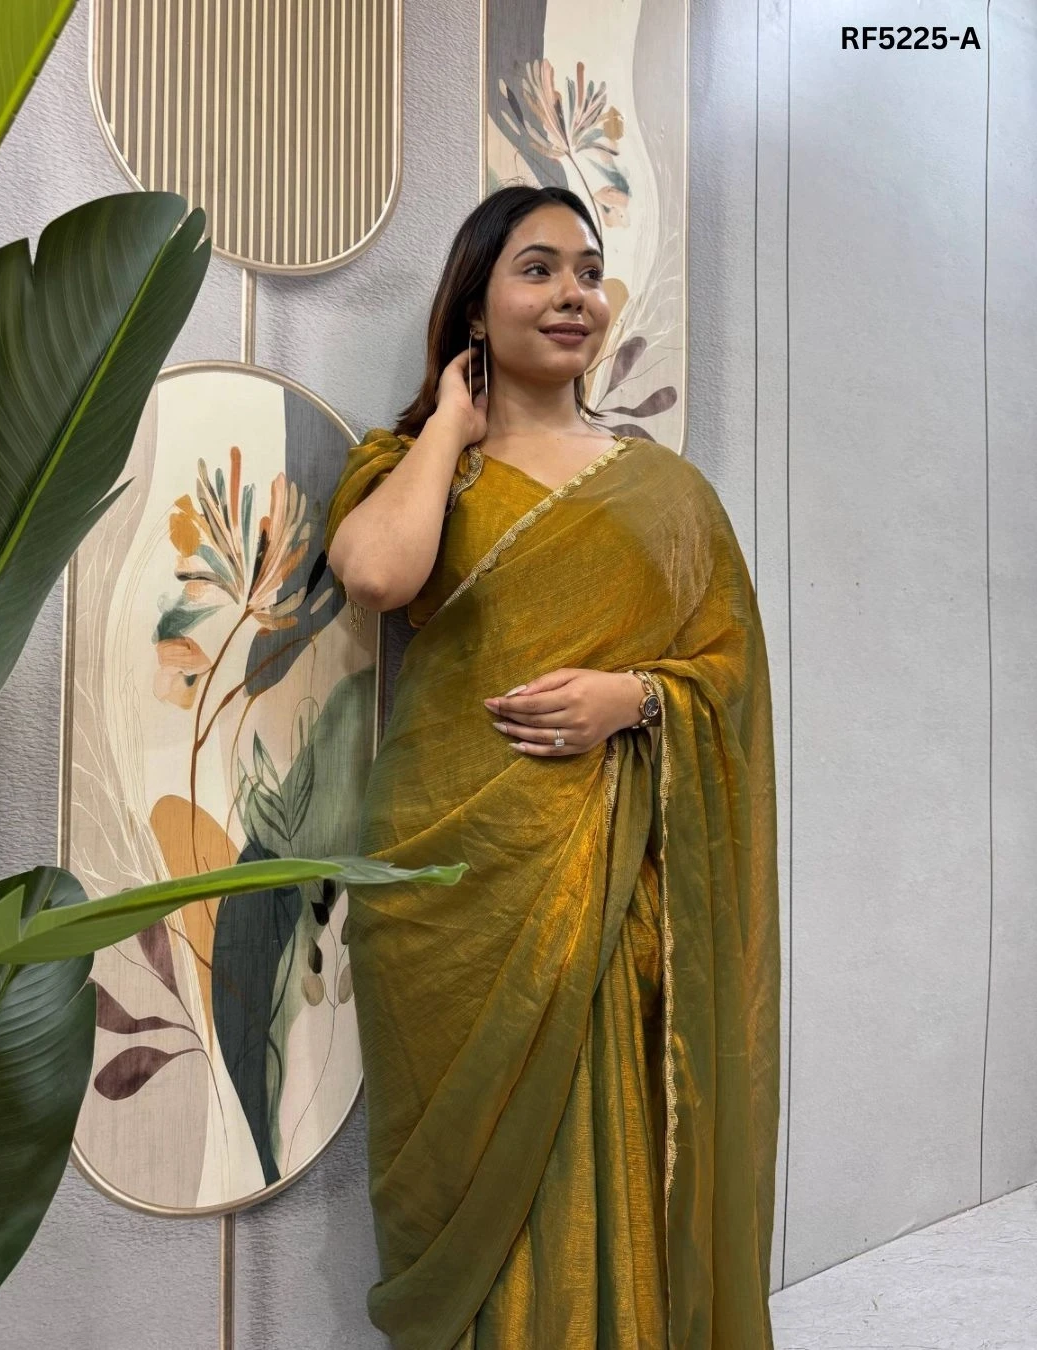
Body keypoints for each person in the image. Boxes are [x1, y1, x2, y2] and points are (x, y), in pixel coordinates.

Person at [323, 184, 780, 1349]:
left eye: (587, 269)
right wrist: (448, 425)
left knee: (600, 1160)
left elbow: (727, 674)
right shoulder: (418, 464)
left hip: (610, 883)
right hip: (447, 885)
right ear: (475, 305)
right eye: (537, 269)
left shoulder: (667, 492)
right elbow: (376, 575)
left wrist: (636, 698)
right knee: (473, 1189)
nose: (574, 293)